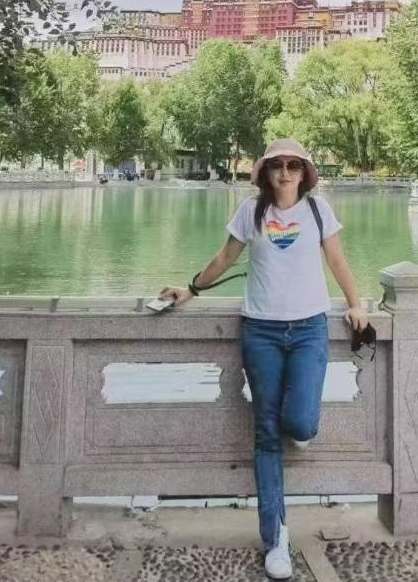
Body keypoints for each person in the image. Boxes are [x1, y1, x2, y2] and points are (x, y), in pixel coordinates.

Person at [159, 138, 369, 580]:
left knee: (301, 423)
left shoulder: (318, 211)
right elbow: (225, 257)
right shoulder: (251, 212)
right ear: (266, 172)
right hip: (261, 332)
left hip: (309, 329)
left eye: (294, 165)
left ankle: (301, 430)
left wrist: (356, 303)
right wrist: (190, 289)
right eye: (277, 165)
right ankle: (276, 539)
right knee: (267, 435)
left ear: (305, 173)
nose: (285, 172)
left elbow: (337, 259)